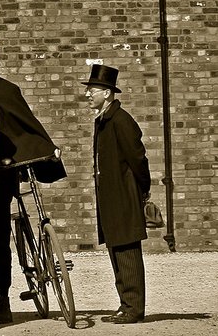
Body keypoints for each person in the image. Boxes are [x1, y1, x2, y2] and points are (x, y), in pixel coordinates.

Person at [0, 35, 67, 324]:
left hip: (1, 177)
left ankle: (3, 298)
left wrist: (47, 147)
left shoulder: (7, 91)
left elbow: (26, 122)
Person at [82, 64, 151, 324]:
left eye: (92, 90)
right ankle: (125, 305)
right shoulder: (105, 119)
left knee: (127, 252)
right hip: (112, 197)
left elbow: (138, 159)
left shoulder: (121, 120)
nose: (88, 94)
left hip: (124, 196)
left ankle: (134, 308)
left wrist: (141, 190)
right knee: (117, 251)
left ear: (107, 93)